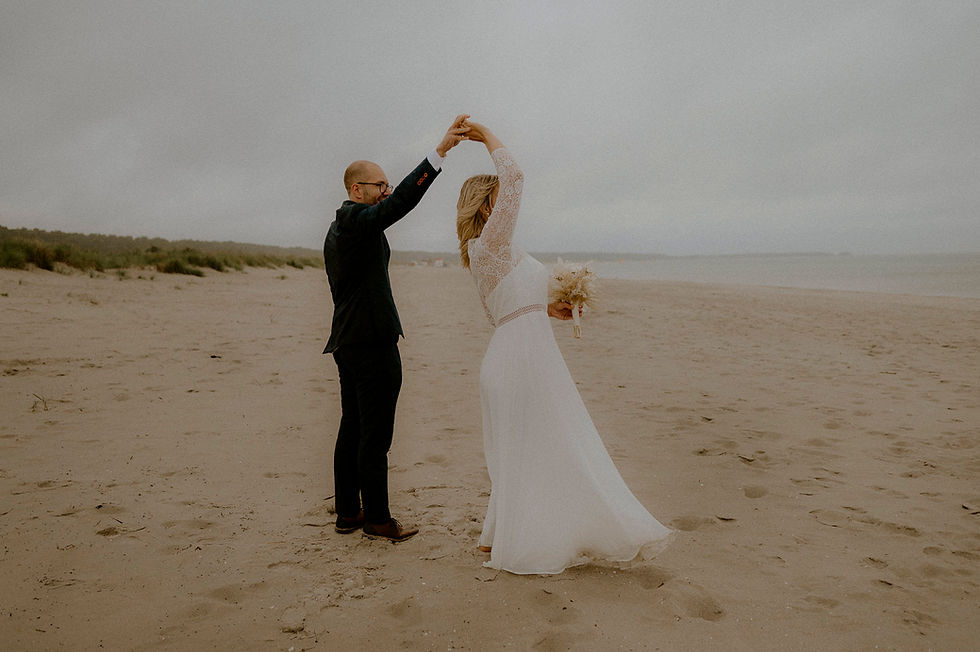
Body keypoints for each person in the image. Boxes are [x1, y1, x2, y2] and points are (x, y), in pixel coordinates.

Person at [456, 121, 673, 573]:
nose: (508, 206)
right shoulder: (489, 244)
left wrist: (553, 307)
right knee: (549, 442)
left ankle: (497, 534)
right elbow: (516, 178)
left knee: (526, 445)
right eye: (499, 199)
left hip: (516, 351)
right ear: (486, 204)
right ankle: (524, 541)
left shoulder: (493, 251)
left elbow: (513, 307)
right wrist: (486, 136)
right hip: (519, 360)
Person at [323, 114, 471, 542]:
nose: (386, 192)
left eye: (387, 185)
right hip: (369, 342)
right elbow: (400, 203)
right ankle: (378, 519)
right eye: (380, 185)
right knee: (375, 432)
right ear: (357, 190)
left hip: (350, 340)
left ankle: (349, 512)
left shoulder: (343, 228)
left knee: (352, 426)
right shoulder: (353, 221)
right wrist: (438, 153)